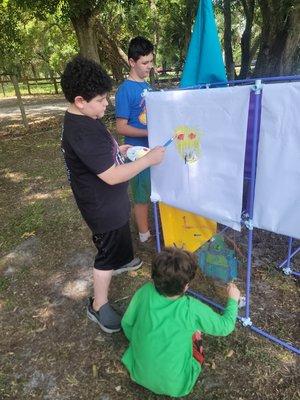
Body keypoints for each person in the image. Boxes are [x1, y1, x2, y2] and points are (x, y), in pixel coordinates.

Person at [60, 56, 165, 334]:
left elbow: (98, 155)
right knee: (105, 253)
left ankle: (123, 258)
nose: (106, 105)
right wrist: (147, 160)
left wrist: (117, 150)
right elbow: (111, 176)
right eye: (101, 100)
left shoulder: (84, 117)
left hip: (111, 203)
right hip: (101, 207)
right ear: (80, 100)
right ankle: (98, 305)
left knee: (120, 232)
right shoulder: (82, 131)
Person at [121, 247, 240, 397]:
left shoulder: (145, 291)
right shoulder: (191, 308)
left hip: (138, 371)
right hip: (175, 385)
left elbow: (127, 323)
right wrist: (233, 300)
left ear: (154, 277)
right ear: (185, 286)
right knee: (196, 334)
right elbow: (226, 326)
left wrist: (141, 339)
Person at [115, 36, 154, 245]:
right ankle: (143, 234)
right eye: (144, 63)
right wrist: (149, 133)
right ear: (132, 62)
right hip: (136, 152)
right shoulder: (124, 90)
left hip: (153, 149)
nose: (150, 66)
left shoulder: (149, 86)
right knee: (141, 193)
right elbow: (121, 127)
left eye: (151, 61)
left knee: (152, 188)